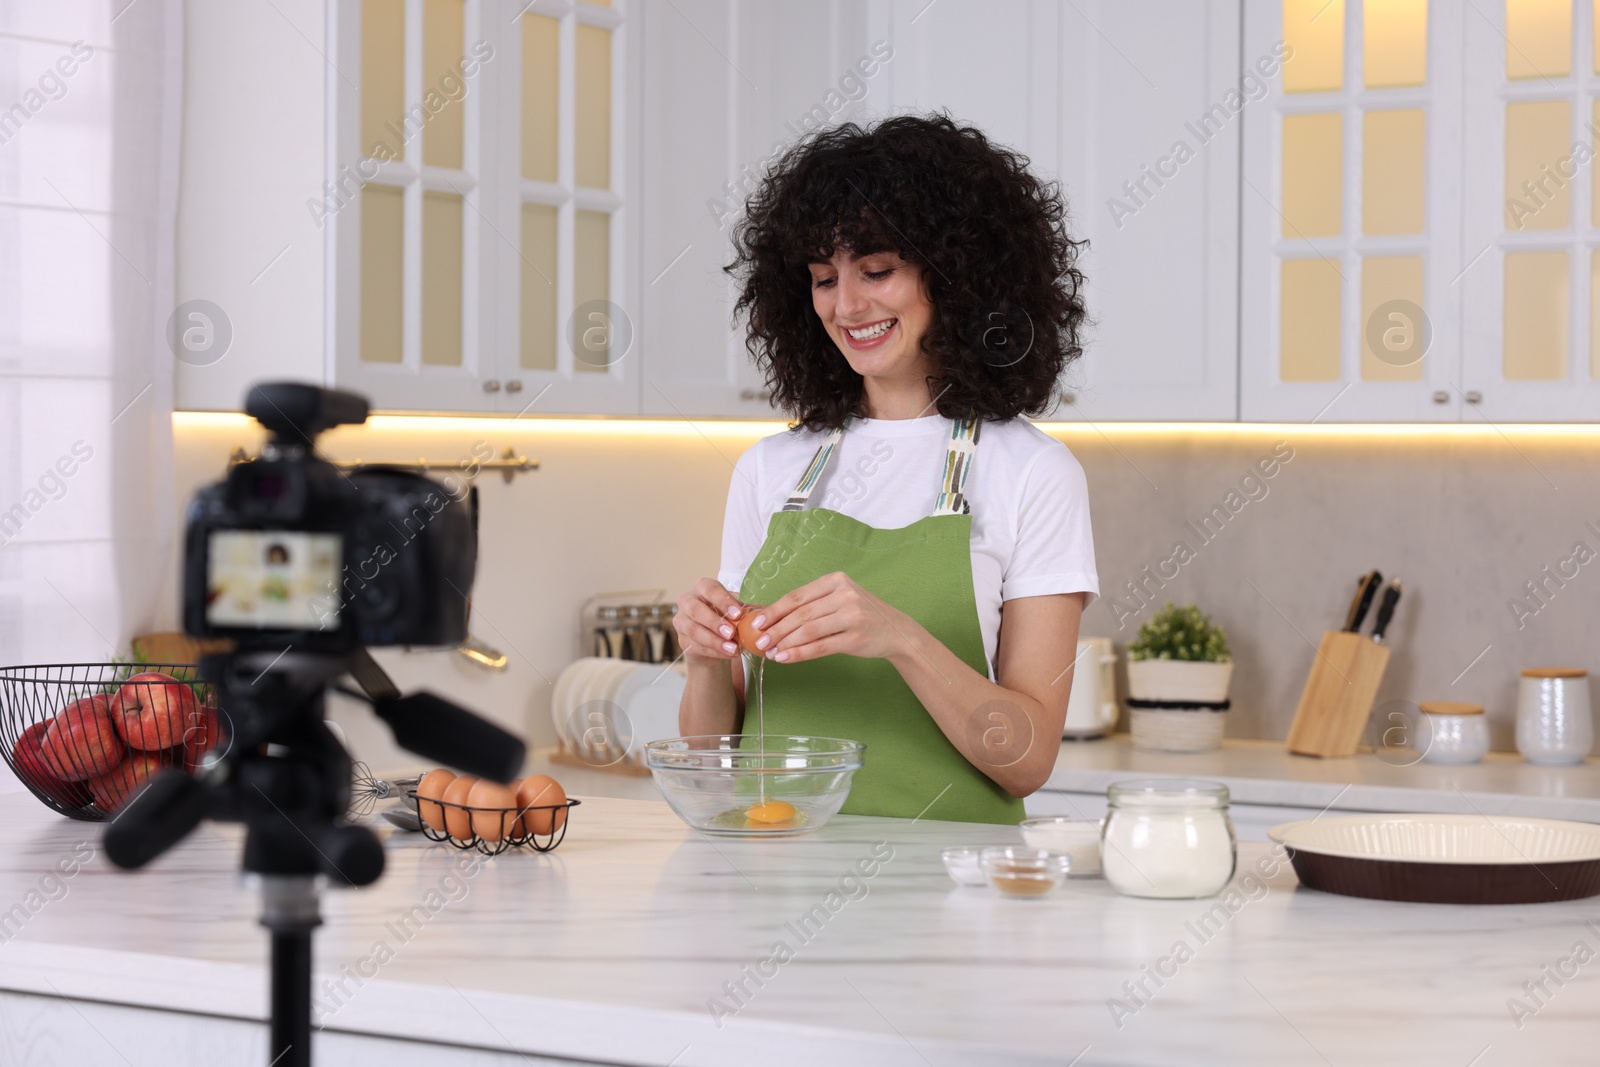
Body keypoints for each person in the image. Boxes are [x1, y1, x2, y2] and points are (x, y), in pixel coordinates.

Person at [673, 113, 1098, 824]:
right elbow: (716, 755)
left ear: (957, 272)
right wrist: (704, 656)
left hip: (951, 905)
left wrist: (898, 637)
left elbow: (1026, 758)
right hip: (773, 883)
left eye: (877, 270)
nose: (847, 306)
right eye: (822, 279)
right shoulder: (770, 469)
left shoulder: (1034, 472)